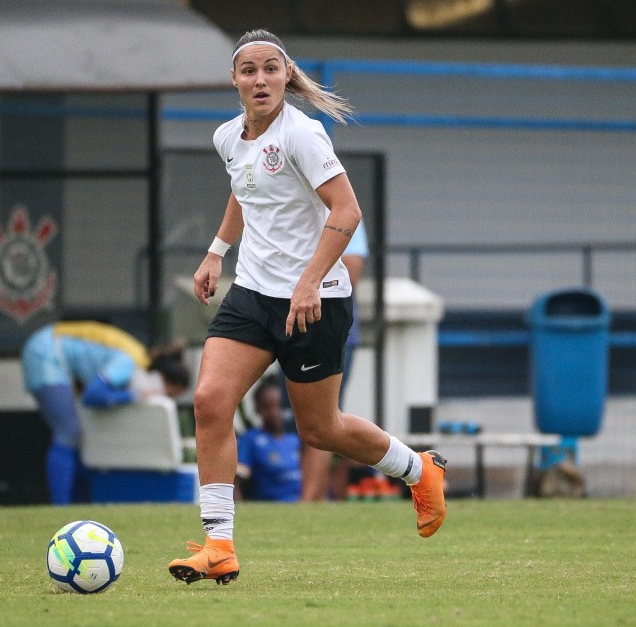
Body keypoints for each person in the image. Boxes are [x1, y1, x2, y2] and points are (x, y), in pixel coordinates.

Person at [168, 29, 447, 587]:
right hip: (251, 296)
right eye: (249, 70)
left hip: (317, 303)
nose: (260, 79)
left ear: (286, 75)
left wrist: (310, 281)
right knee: (209, 400)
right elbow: (242, 192)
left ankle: (419, 471)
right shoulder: (228, 137)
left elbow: (347, 211)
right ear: (235, 81)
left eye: (271, 69)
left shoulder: (304, 135)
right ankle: (219, 545)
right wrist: (215, 253)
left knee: (320, 430)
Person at [22, 320, 190, 505]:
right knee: (68, 432)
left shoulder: (137, 357)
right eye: (168, 394)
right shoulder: (129, 361)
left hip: (49, 350)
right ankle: (60, 507)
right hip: (46, 352)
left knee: (75, 436)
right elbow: (92, 395)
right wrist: (135, 394)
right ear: (161, 379)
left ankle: (75, 504)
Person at [298, 220, 368, 502]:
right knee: (303, 420)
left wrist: (307, 281)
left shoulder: (342, 207)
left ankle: (310, 500)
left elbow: (351, 272)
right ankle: (309, 496)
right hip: (291, 323)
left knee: (321, 418)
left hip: (326, 326)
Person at [235, 375, 302, 502]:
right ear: (257, 409)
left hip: (304, 503)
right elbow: (236, 479)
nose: (274, 412)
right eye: (267, 407)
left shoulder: (298, 436)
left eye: (279, 406)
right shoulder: (251, 439)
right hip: (271, 504)